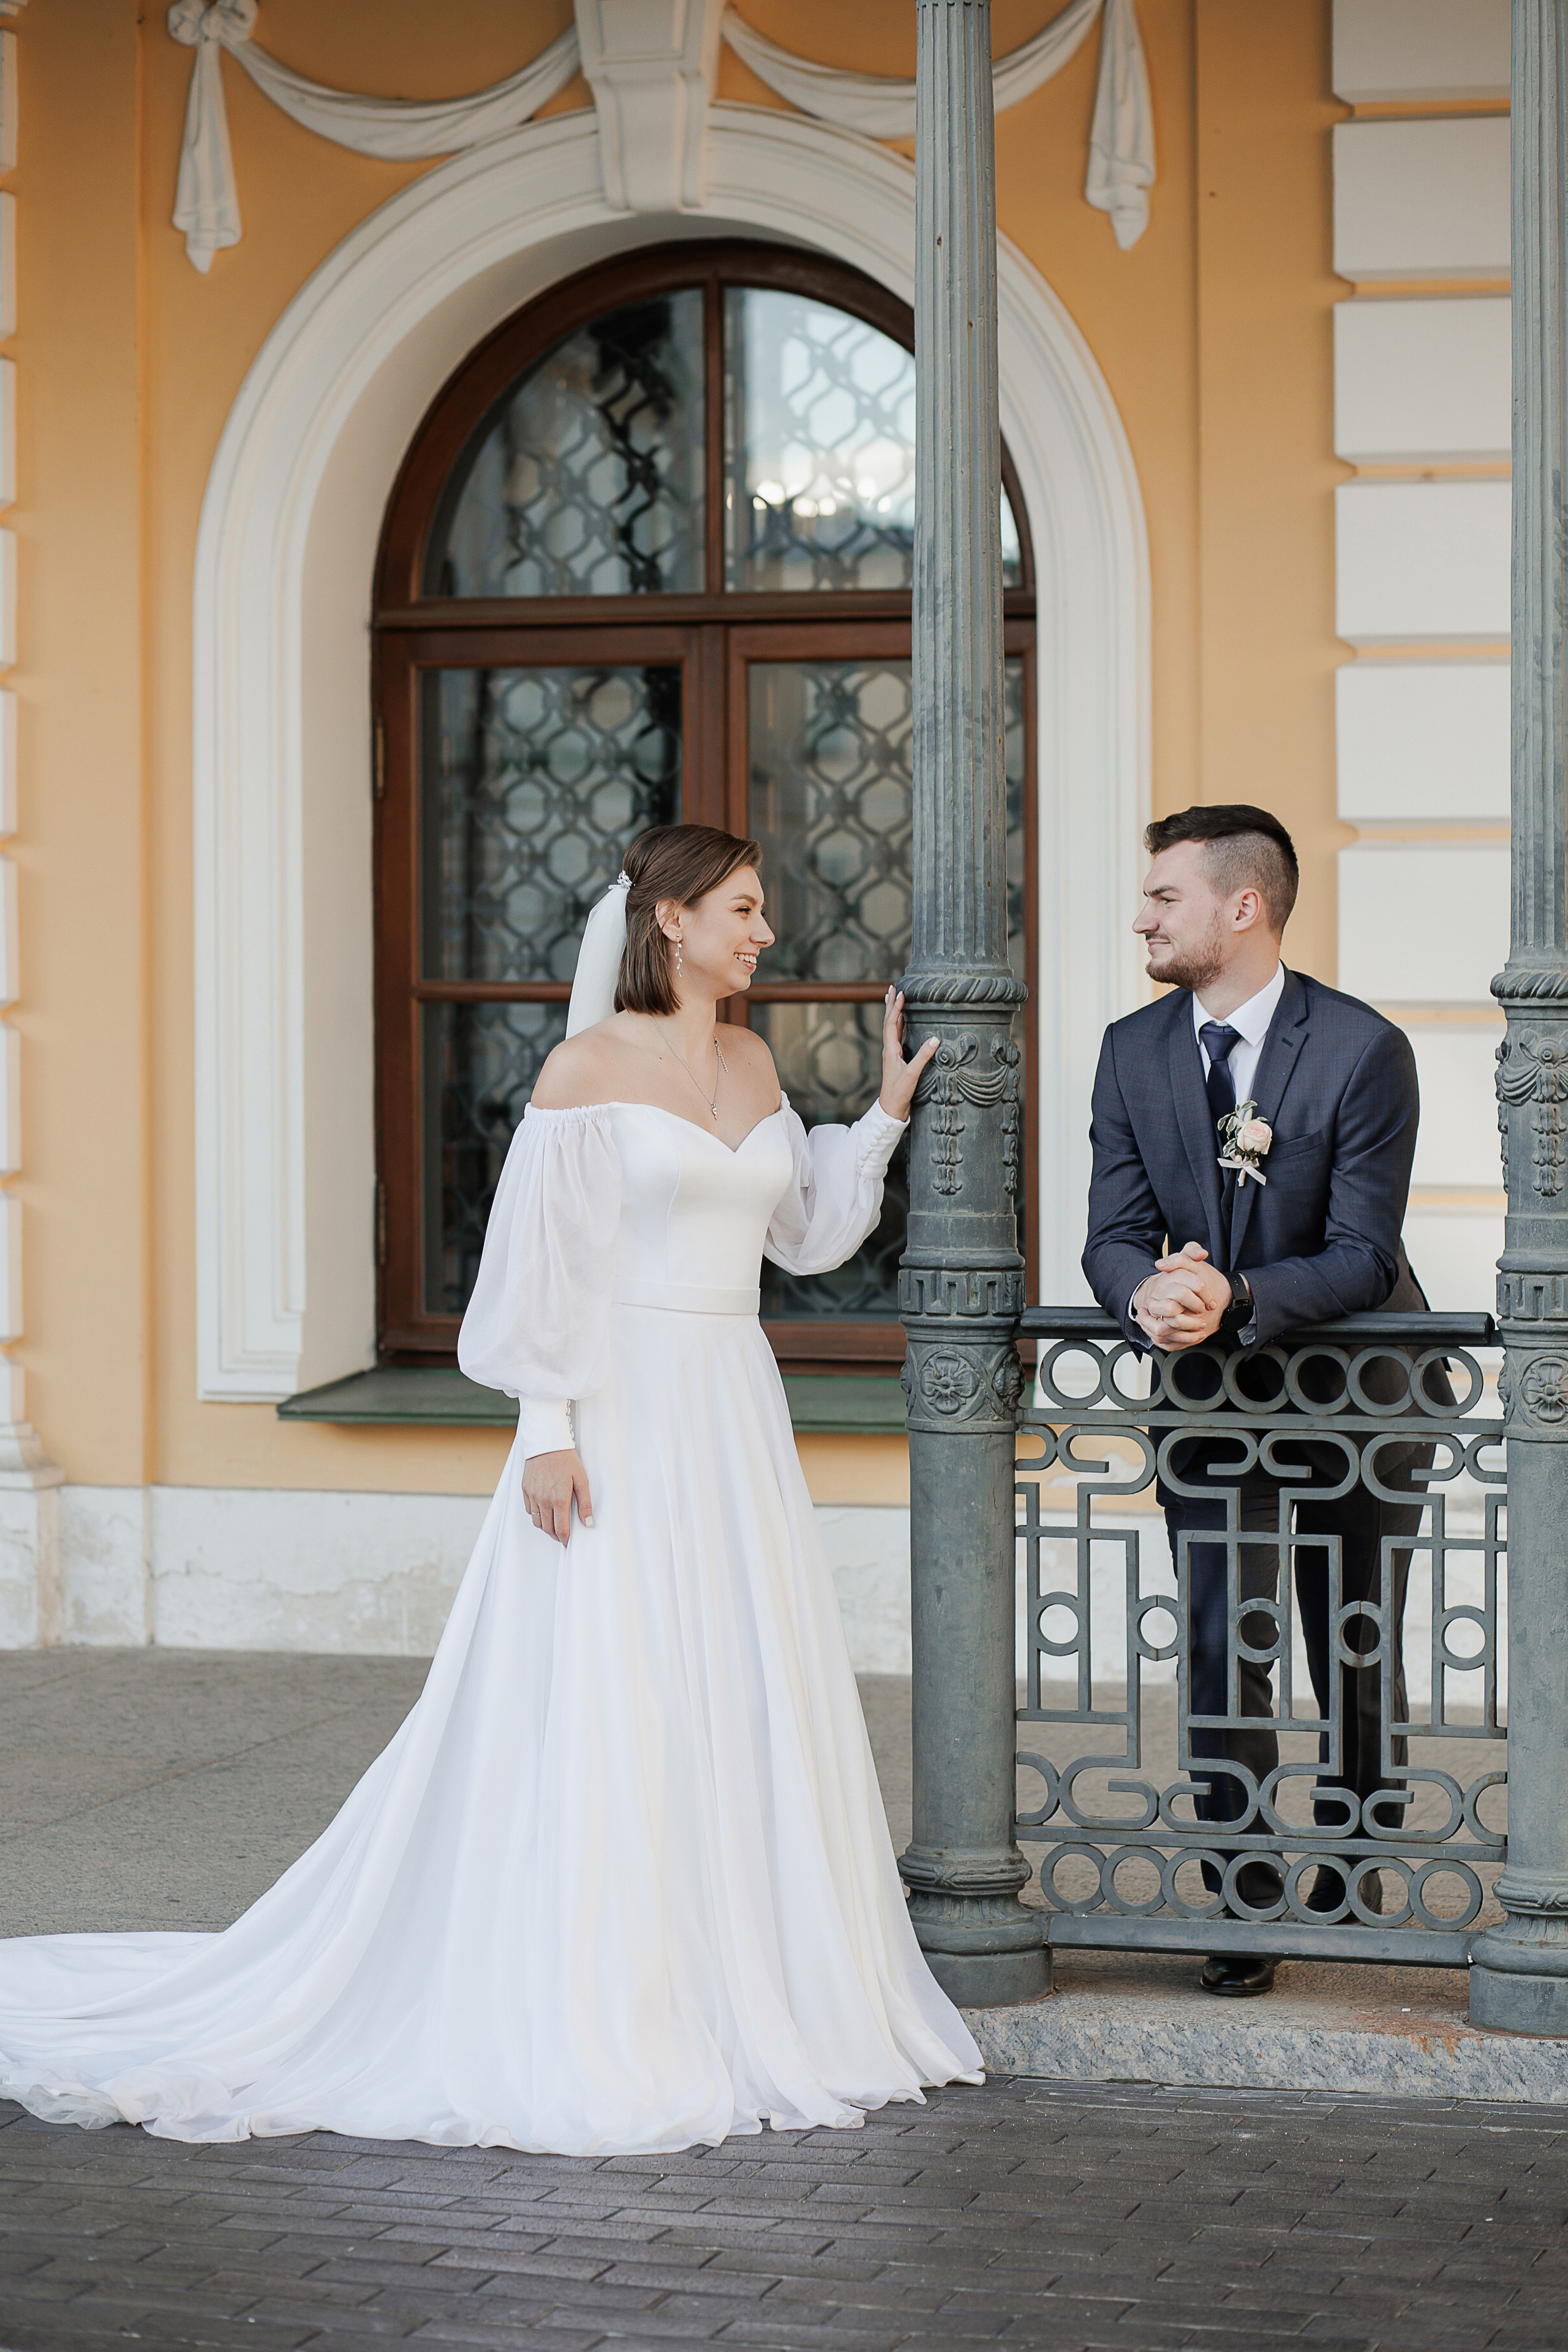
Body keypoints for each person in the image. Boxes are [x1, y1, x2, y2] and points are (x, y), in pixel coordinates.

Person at [0, 823, 982, 2150]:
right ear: (671, 923)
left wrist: (878, 1116)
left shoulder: (751, 1058)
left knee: (733, 1677)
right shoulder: (585, 1068)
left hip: (729, 1408)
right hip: (617, 1404)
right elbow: (540, 1263)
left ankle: (745, 1972)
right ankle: (607, 1991)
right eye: (742, 910)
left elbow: (804, 1239)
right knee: (611, 1679)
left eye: (762, 912)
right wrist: (546, 1429)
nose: (763, 933)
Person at [1082, 804, 1434, 2000]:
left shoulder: (1359, 1050)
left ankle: (1350, 1864)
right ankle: (1240, 1893)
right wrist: (1148, 1298)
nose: (1141, 915)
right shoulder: (1129, 1051)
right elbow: (1111, 1234)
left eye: (1162, 896)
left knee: (1353, 1638)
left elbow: (1361, 1253)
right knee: (1222, 1636)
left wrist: (1229, 1294)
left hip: (1357, 1391)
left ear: (1242, 907)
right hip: (1209, 1394)